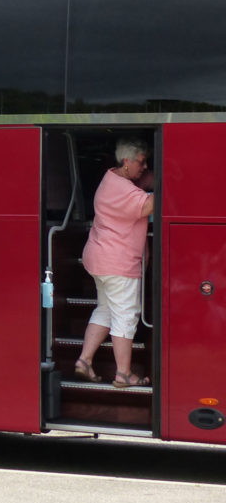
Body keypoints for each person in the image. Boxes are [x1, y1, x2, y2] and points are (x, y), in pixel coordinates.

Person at [75, 138, 155, 388]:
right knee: (126, 315)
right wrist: (172, 177)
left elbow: (141, 189)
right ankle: (123, 374)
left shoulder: (111, 179)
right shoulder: (124, 190)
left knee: (106, 310)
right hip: (118, 263)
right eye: (141, 163)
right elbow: (150, 205)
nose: (144, 167)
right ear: (126, 161)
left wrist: (149, 178)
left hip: (100, 259)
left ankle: (84, 361)